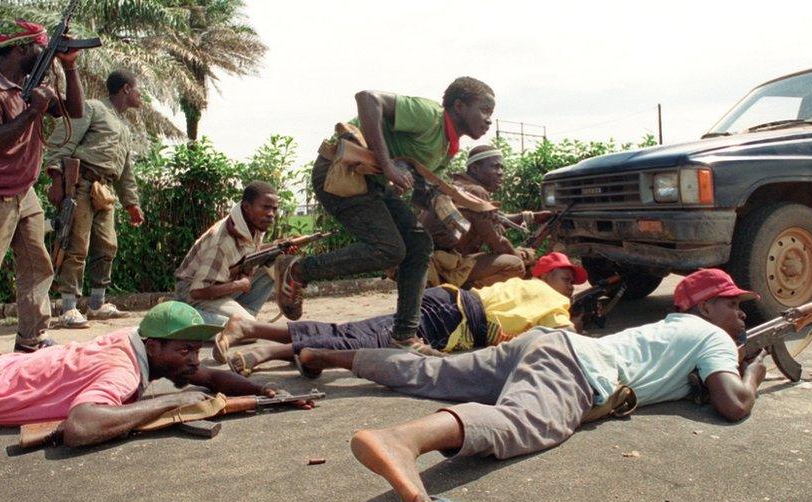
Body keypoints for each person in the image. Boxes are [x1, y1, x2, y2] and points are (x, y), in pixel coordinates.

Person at [298, 269, 769, 502]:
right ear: (705, 308)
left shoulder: (675, 325)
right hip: (577, 370)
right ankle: (403, 441)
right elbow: (734, 404)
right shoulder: (714, 337)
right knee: (521, 421)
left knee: (433, 371)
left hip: (546, 344)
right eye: (732, 303)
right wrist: (754, 368)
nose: (741, 312)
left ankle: (328, 355)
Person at [269, 77, 496, 353]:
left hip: (372, 184)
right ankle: (297, 269)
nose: (488, 120)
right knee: (390, 249)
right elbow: (367, 98)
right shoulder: (430, 117)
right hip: (339, 172)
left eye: (491, 114)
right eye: (484, 110)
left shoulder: (446, 149)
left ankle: (403, 336)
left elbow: (411, 184)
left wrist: (446, 202)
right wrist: (387, 164)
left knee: (419, 244)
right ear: (459, 106)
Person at [0, 301, 313, 447]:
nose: (194, 359)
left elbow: (208, 377)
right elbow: (81, 426)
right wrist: (173, 399)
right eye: (185, 350)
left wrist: (265, 390)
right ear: (153, 346)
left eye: (196, 349)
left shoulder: (132, 341)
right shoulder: (123, 370)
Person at [214, 252, 587, 376]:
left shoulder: (524, 284)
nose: (569, 284)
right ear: (544, 274)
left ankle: (258, 334)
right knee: (368, 341)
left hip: (445, 303)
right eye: (564, 276)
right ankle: (263, 340)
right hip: (451, 319)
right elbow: (566, 337)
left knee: (358, 330)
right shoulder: (553, 301)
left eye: (572, 280)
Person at [0, 19, 84, 352]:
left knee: (39, 266)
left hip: (23, 192)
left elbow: (75, 111)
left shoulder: (32, 84)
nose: (45, 55)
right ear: (22, 48)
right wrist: (31, 111)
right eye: (42, 48)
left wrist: (70, 69)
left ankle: (32, 338)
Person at [44, 69, 146, 329]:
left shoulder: (124, 126)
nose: (140, 94)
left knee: (107, 246)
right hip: (82, 184)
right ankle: (68, 307)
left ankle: (97, 304)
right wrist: (56, 179)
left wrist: (131, 203)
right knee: (76, 245)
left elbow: (125, 170)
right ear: (125, 88)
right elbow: (61, 142)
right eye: (137, 88)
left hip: (106, 191)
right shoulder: (92, 108)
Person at [418, 145, 552, 288]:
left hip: (428, 262)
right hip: (441, 266)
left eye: (502, 168)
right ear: (475, 168)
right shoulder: (476, 191)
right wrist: (523, 256)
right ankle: (463, 297)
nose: (500, 173)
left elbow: (491, 219)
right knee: (515, 265)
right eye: (495, 167)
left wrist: (528, 217)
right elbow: (496, 243)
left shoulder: (459, 188)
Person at [174, 181, 281, 326]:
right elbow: (198, 291)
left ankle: (242, 315)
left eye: (274, 209)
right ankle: (180, 317)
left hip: (222, 282)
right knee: (247, 328)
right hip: (192, 294)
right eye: (265, 207)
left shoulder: (252, 225)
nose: (271, 214)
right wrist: (239, 284)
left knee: (275, 263)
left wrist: (279, 246)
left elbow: (247, 253)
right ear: (246, 207)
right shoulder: (221, 242)